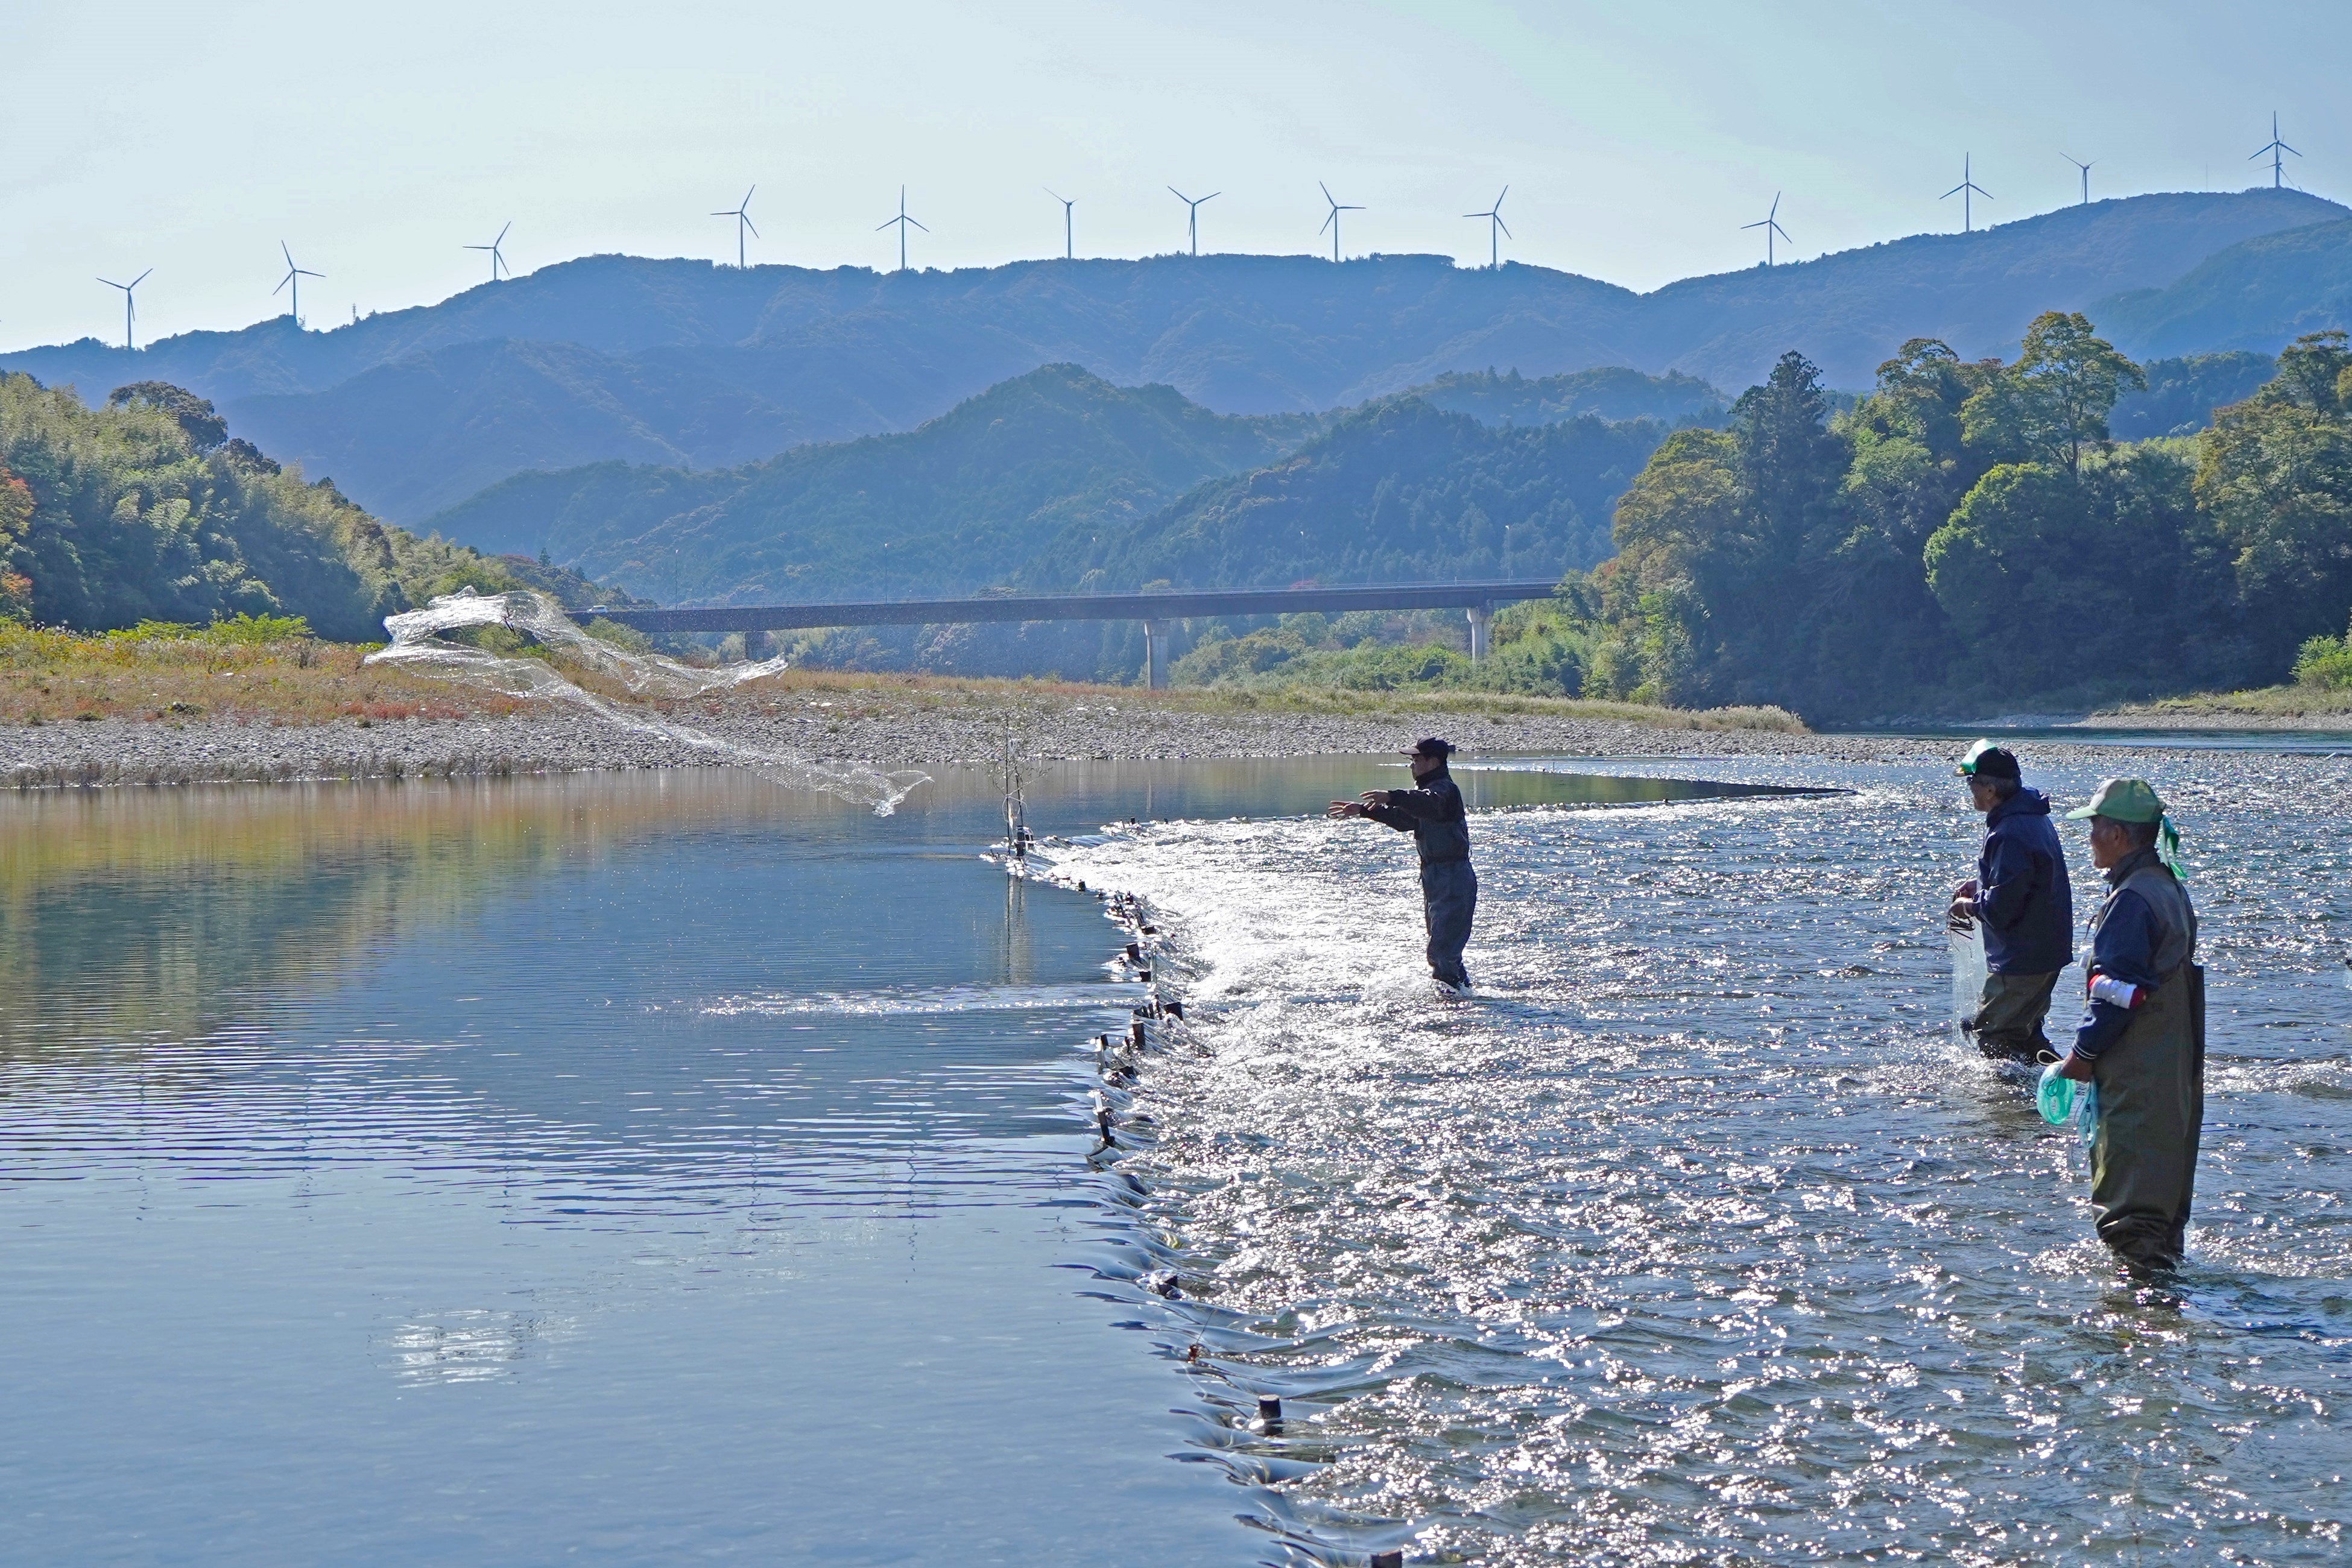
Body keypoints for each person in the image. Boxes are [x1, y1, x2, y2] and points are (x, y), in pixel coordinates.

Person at [2053, 778, 2204, 1275]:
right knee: (2160, 1204)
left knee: (2130, 1213)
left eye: (2094, 827)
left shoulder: (2132, 900)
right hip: (2171, 1069)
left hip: (2138, 1071)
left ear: (2118, 835)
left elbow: (2117, 993)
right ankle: (2163, 1310)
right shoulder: (2166, 887)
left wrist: (2083, 1055)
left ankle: (2135, 1326)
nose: (2089, 836)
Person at [1946, 741, 2074, 1061]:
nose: (1970, 791)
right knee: (2026, 1031)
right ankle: (2056, 1090)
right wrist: (1981, 883)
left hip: (2022, 958)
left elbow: (2003, 907)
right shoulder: (2031, 815)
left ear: (1989, 789)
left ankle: (2008, 1106)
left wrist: (1968, 907)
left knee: (1992, 1032)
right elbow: (2027, 879)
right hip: (2045, 951)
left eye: (1971, 783)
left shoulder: (2010, 830)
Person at [1327, 737, 1476, 991]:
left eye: (1417, 759)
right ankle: (1462, 995)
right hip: (1435, 878)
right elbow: (1404, 821)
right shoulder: (1428, 792)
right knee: (1443, 949)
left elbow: (1427, 802)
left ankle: (1455, 1002)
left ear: (1434, 761)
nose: (1412, 765)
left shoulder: (1445, 791)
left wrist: (1392, 796)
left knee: (1441, 952)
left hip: (1453, 877)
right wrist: (1365, 811)